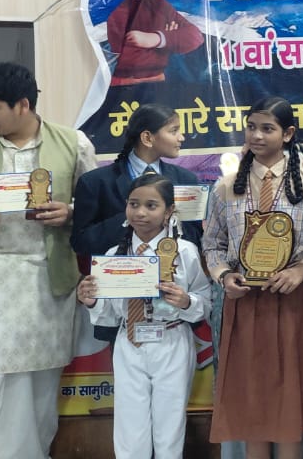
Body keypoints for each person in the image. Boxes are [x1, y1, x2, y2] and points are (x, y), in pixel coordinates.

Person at [202, 96, 303, 459]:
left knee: (290, 400)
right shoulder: (226, 187)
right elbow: (212, 244)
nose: (257, 136)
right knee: (253, 400)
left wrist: (301, 270)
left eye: (267, 129)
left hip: (294, 304)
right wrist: (225, 275)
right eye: (251, 127)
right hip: (246, 306)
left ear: (287, 134)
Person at [0, 62, 97, 459]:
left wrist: (71, 212)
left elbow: (99, 209)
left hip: (50, 282)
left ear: (23, 105)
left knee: (40, 385)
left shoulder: (73, 144)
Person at [76, 174, 211, 459]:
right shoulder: (113, 256)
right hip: (129, 342)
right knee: (129, 427)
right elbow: (109, 315)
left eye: (151, 205)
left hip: (171, 339)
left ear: (169, 211)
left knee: (169, 426)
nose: (140, 213)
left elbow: (205, 301)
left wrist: (186, 301)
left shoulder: (184, 252)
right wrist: (91, 301)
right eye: (133, 204)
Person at [72, 103, 202, 263]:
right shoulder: (95, 182)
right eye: (173, 131)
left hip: (174, 272)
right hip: (120, 273)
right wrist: (132, 218)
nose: (181, 137)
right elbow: (81, 242)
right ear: (147, 138)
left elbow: (197, 236)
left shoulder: (186, 180)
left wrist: (169, 224)